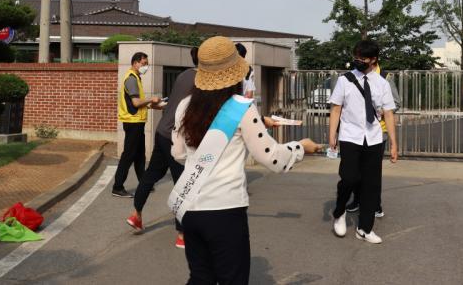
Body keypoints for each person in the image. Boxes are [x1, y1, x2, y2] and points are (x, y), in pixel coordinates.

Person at [171, 36, 319, 284]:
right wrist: (301, 147)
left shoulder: (185, 105)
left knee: (200, 278)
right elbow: (272, 158)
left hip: (190, 208)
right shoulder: (242, 108)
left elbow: (178, 154)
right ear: (235, 72)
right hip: (225, 210)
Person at [125, 47, 199, 249]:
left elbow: (175, 102)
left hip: (162, 131)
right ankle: (182, 234)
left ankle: (136, 214)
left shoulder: (183, 75)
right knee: (182, 183)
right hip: (176, 136)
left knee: (151, 174)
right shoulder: (202, 81)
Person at [328, 40, 398, 244]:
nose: (358, 61)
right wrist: (331, 135)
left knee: (371, 185)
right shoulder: (345, 80)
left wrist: (394, 143)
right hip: (350, 135)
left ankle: (365, 228)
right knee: (349, 178)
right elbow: (336, 109)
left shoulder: (382, 83)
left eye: (363, 58)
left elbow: (388, 114)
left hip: (374, 137)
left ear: (373, 60)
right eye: (356, 57)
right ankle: (339, 212)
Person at [346, 68, 402, 217]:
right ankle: (357, 200)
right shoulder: (354, 75)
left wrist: (378, 110)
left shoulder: (385, 77)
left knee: (373, 171)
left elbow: (396, 103)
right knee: (355, 170)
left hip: (378, 131)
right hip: (356, 131)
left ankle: (375, 204)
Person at [112, 52, 164, 198]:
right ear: (135, 63)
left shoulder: (136, 78)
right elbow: (135, 103)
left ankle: (144, 183)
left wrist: (153, 106)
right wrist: (151, 100)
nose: (146, 66)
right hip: (132, 122)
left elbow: (137, 103)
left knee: (140, 155)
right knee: (128, 155)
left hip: (137, 122)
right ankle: (117, 187)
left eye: (147, 64)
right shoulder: (131, 79)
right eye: (143, 63)